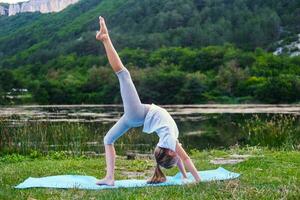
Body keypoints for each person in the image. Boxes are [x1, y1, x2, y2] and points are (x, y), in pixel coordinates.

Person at [95, 16, 201, 186]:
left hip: (138, 114)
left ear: (171, 153)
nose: (177, 153)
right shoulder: (170, 143)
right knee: (108, 140)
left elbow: (185, 158)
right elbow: (182, 159)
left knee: (123, 74)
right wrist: (186, 177)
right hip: (137, 117)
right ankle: (109, 178)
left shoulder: (170, 142)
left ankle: (105, 39)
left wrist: (198, 180)